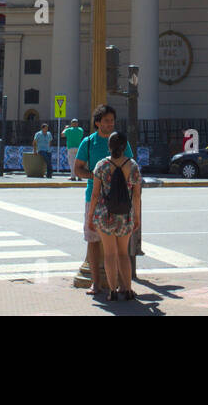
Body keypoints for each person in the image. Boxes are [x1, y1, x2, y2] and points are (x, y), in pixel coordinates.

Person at [73, 105, 134, 297]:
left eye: (112, 120)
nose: (110, 124)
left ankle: (122, 285)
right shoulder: (88, 143)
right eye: (106, 120)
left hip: (119, 201)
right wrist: (96, 177)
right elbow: (77, 169)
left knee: (118, 246)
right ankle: (96, 282)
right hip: (94, 198)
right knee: (93, 240)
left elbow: (130, 167)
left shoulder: (121, 142)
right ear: (97, 123)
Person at [86, 131, 142, 302]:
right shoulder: (132, 166)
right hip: (125, 216)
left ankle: (112, 291)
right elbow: (137, 196)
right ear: (125, 147)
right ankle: (128, 289)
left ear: (109, 147)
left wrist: (90, 217)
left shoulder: (101, 165)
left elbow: (95, 194)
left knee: (109, 254)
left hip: (105, 215)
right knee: (123, 254)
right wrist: (137, 217)